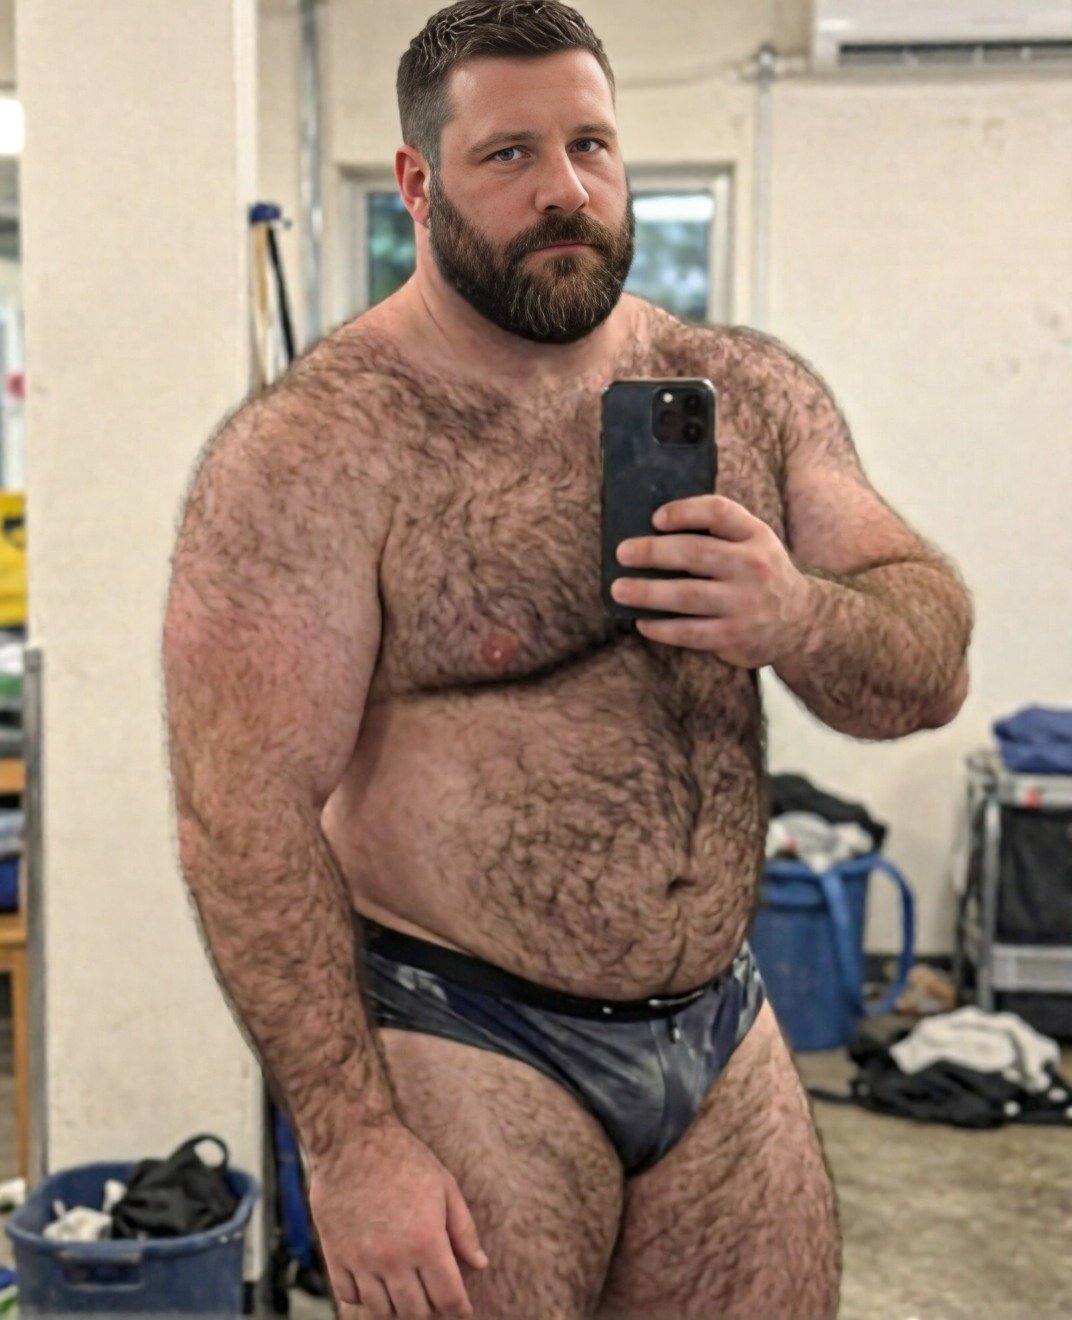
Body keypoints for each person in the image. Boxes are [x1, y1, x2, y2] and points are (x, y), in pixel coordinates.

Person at [163, 3, 972, 1317]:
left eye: (590, 145)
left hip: (721, 1026)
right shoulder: (315, 453)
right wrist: (351, 1141)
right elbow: (239, 816)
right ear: (418, 182)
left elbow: (928, 667)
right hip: (468, 1034)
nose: (566, 190)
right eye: (510, 155)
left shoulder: (746, 392)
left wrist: (796, 617)